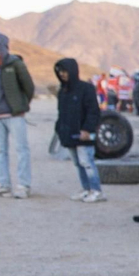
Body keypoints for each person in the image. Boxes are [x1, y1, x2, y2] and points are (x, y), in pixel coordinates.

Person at [0, 31, 35, 198]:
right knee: (0, 151)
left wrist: (21, 105)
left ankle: (23, 185)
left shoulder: (15, 63)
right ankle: (3, 184)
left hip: (14, 115)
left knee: (22, 149)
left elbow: (29, 87)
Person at [53, 58, 105, 203]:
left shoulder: (86, 89)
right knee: (77, 163)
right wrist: (59, 129)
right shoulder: (62, 91)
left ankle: (96, 190)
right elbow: (61, 112)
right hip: (68, 134)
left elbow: (93, 111)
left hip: (84, 134)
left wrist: (87, 129)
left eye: (65, 71)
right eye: (60, 72)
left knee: (87, 162)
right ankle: (86, 189)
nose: (63, 74)